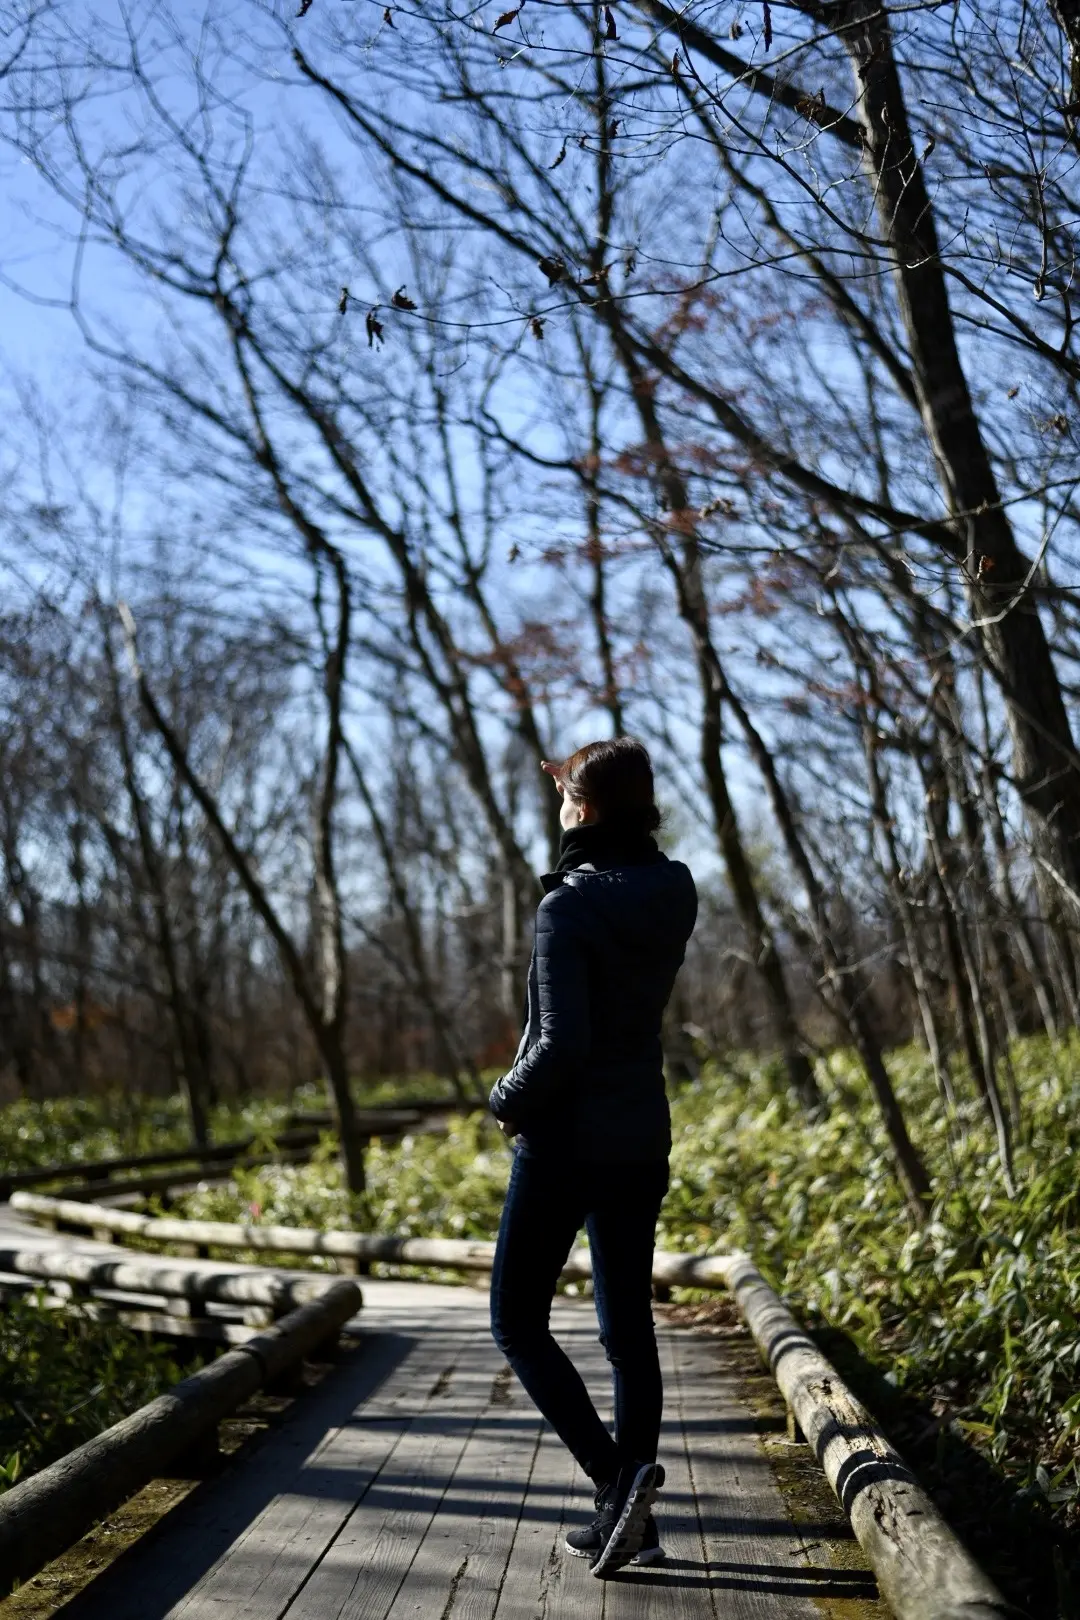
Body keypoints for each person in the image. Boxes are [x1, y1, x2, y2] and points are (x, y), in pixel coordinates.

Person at [488, 737, 698, 1578]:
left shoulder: (566, 908)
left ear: (583, 807)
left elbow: (562, 1043)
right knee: (626, 1331)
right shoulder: (674, 888)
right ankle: (631, 1524)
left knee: (515, 1321)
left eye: (565, 796)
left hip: (566, 1141)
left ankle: (619, 1480)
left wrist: (504, 1100)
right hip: (641, 1135)